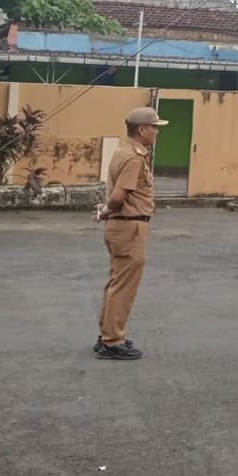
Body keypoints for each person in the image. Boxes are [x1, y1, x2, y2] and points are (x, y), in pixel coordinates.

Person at [92, 106, 167, 360]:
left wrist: (106, 212)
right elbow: (119, 195)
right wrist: (105, 210)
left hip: (123, 225)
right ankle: (113, 341)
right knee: (123, 286)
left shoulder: (123, 153)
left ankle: (107, 336)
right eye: (155, 127)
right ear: (142, 130)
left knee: (116, 283)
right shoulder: (134, 158)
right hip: (129, 225)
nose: (157, 132)